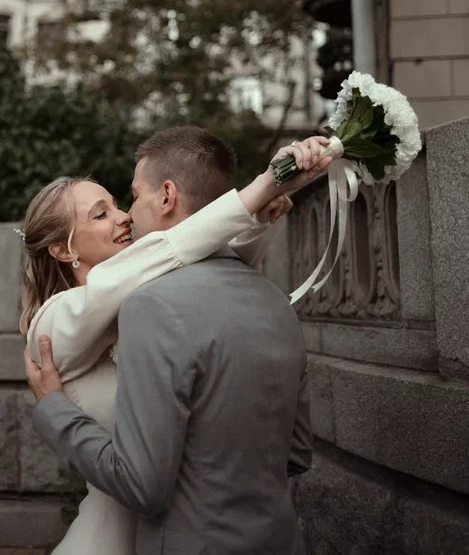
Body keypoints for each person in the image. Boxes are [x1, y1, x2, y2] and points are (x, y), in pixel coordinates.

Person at [23, 128, 331, 555]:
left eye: (119, 203)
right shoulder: (54, 322)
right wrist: (261, 188)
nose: (124, 217)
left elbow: (203, 272)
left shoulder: (149, 298)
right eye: (100, 214)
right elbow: (169, 250)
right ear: (62, 250)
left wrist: (260, 217)